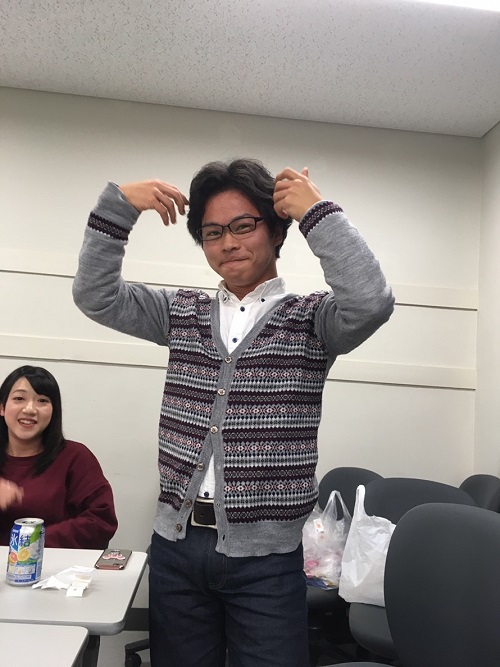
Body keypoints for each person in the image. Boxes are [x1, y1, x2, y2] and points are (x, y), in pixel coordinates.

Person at [73, 158, 394, 667]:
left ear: (276, 230)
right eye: (212, 232)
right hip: (177, 549)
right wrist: (118, 209)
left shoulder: (312, 320)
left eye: (244, 226)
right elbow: (96, 295)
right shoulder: (181, 313)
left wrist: (317, 213)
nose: (228, 243)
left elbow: (372, 301)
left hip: (268, 562)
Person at [0, 365, 118, 548]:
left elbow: (100, 522)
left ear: (54, 410)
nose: (30, 409)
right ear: (2, 407)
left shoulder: (75, 457)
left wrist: (32, 542)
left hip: (57, 564)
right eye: (19, 398)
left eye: (42, 400)